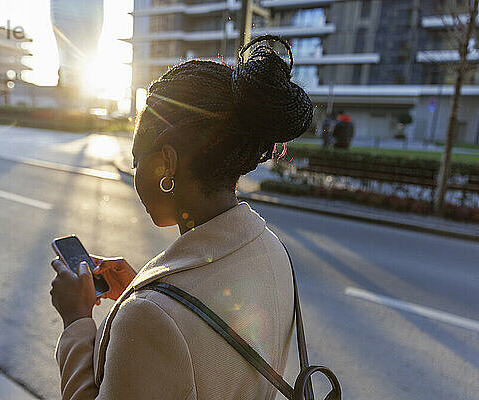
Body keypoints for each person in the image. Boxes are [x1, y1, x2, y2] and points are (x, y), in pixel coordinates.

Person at [49, 35, 314, 400]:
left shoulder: (150, 319)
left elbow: (176, 335)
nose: (135, 173)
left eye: (135, 160)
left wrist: (77, 321)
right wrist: (142, 291)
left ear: (166, 163)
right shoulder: (272, 250)